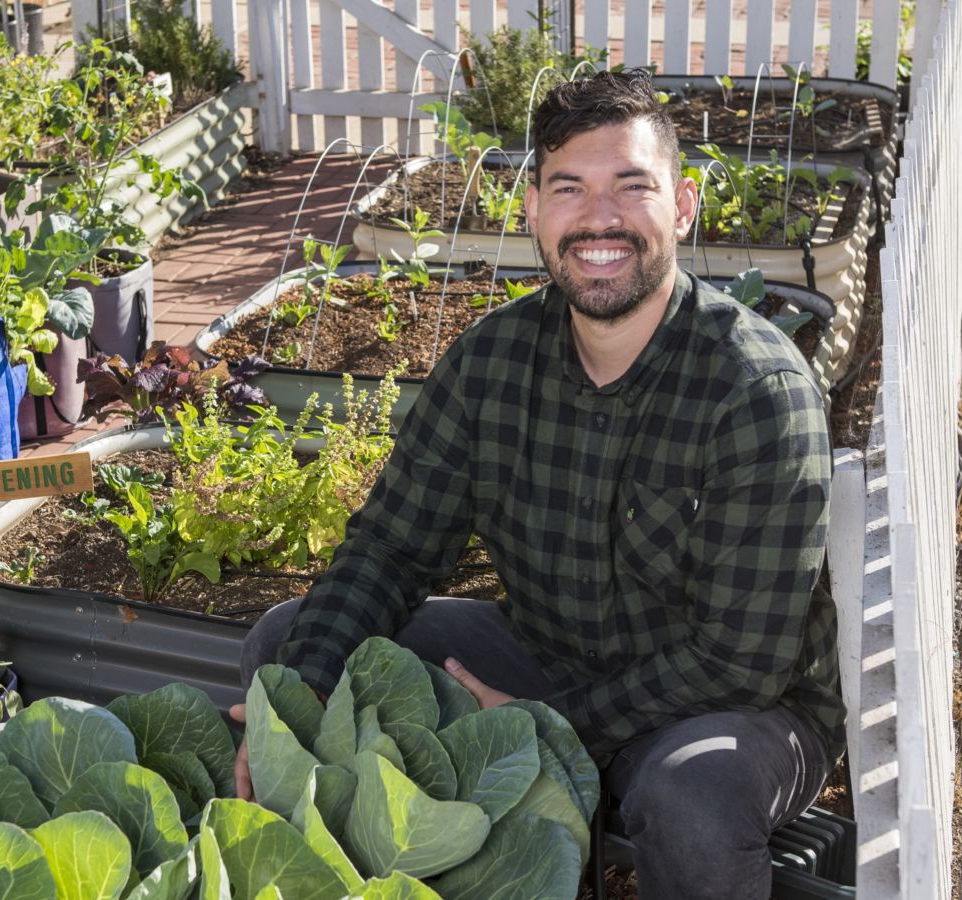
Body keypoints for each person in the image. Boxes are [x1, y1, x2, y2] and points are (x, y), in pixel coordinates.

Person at [233, 69, 845, 900]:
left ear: (684, 204)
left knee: (692, 797)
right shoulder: (491, 363)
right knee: (291, 643)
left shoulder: (755, 390)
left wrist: (538, 726)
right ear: (532, 209)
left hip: (733, 707)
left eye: (633, 186)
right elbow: (390, 549)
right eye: (570, 188)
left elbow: (740, 661)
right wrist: (298, 697)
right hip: (548, 651)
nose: (601, 218)